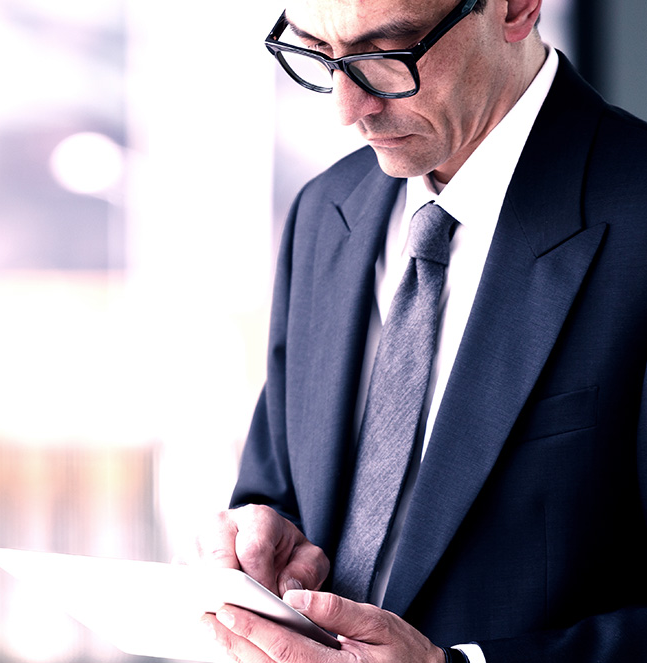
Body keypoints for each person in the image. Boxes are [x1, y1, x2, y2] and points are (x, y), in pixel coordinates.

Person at [188, 0, 647, 661]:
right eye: (319, 53)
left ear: (516, 7)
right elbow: (279, 483)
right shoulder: (324, 213)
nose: (347, 110)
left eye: (386, 51)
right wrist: (266, 534)